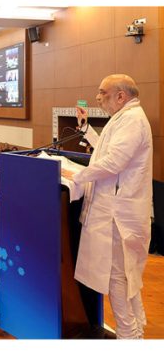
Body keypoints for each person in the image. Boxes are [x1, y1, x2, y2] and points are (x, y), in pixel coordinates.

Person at [61, 74, 152, 339]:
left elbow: (113, 162)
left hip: (119, 220)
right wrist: (86, 128)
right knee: (127, 282)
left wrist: (76, 176)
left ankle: (128, 337)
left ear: (121, 96)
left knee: (118, 282)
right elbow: (105, 149)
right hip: (118, 216)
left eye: (103, 93)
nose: (98, 98)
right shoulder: (124, 118)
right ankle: (135, 337)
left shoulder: (132, 121)